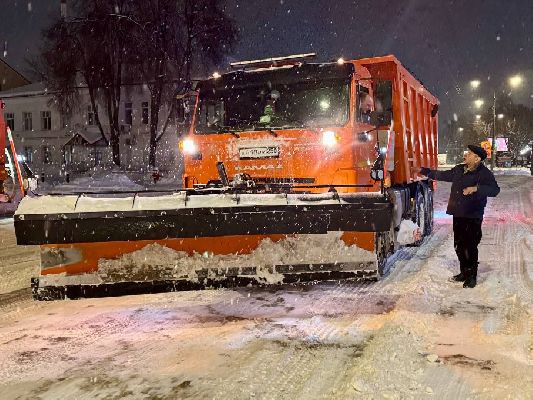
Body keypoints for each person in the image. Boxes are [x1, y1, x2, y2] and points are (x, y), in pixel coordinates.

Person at [414, 145, 500, 288]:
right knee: (459, 245)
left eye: (470, 153)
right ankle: (464, 272)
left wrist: (476, 188)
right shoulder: (460, 169)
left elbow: (495, 190)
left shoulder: (484, 173)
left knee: (470, 246)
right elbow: (443, 175)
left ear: (477, 158)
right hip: (458, 213)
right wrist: (424, 171)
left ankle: (472, 276)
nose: (466, 155)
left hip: (473, 214)